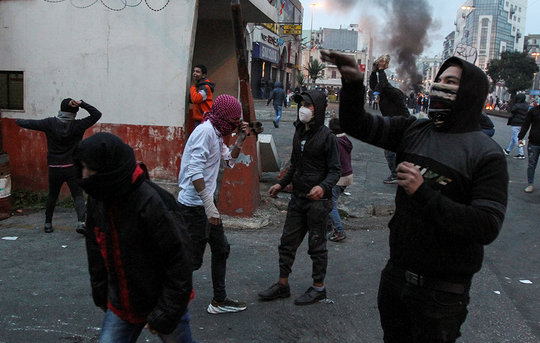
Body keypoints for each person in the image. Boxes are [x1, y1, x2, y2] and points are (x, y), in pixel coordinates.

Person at [323, 50, 508, 343]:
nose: (440, 87)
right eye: (440, 80)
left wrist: (424, 193)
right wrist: (353, 82)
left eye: (451, 82)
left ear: (470, 93)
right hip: (396, 278)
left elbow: (486, 225)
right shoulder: (414, 129)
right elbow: (357, 124)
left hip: (442, 295)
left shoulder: (486, 154)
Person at [74, 133, 197, 343]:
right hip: (121, 305)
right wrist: (101, 291)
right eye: (82, 168)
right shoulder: (99, 201)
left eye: (90, 169)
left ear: (107, 170)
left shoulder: (153, 203)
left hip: (163, 302)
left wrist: (166, 312)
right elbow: (95, 250)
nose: (84, 176)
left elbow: (180, 262)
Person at [259, 89, 341, 306]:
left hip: (318, 204)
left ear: (319, 109)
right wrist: (280, 183)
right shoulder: (299, 132)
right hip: (297, 198)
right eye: (301, 104)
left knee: (317, 247)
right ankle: (282, 285)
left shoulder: (328, 137)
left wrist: (323, 188)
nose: (303, 108)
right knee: (287, 243)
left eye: (308, 105)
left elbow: (335, 171)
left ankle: (318, 288)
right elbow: (295, 165)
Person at [177, 94, 250, 315]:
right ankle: (168, 301)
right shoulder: (205, 132)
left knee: (221, 248)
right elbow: (194, 171)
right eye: (233, 122)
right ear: (223, 118)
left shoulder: (216, 132)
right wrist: (209, 206)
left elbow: (229, 159)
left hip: (206, 206)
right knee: (192, 260)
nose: (233, 126)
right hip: (194, 207)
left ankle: (219, 300)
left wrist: (240, 139)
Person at [16, 98, 102, 234]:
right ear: (75, 112)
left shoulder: (50, 123)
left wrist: (17, 121)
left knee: (52, 195)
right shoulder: (78, 125)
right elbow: (96, 114)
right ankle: (81, 223)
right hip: (72, 167)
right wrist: (82, 103)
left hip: (55, 166)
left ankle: (48, 224)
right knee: (78, 195)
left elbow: (29, 123)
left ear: (61, 109)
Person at [369, 54, 411, 184]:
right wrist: (373, 72)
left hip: (403, 126)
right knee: (393, 152)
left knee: (391, 152)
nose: (376, 95)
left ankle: (397, 174)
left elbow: (385, 85)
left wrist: (381, 70)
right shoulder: (383, 92)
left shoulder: (394, 94)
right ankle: (399, 174)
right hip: (394, 126)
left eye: (378, 93)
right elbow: (373, 85)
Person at [326, 118, 353, 243]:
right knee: (329, 200)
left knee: (331, 203)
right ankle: (328, 224)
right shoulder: (345, 140)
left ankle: (339, 230)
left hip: (339, 177)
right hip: (347, 175)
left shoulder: (335, 141)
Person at [503, 93, 528, 159]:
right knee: (515, 138)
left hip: (515, 123)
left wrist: (509, 121)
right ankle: (508, 150)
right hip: (522, 124)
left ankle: (521, 153)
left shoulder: (516, 106)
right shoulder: (526, 106)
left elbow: (512, 115)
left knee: (516, 138)